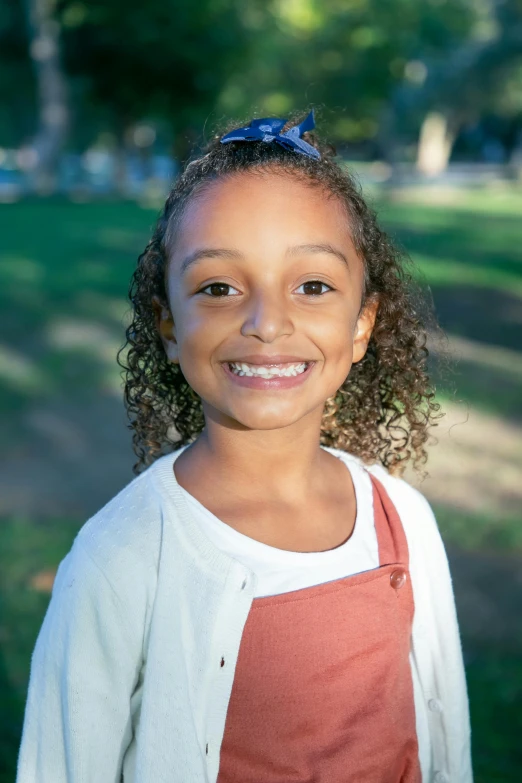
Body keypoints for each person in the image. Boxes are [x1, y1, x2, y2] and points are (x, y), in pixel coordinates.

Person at [16, 110, 472, 783]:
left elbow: (446, 740)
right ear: (169, 324)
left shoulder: (402, 520)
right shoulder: (121, 558)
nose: (266, 322)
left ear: (361, 324)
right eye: (219, 288)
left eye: (312, 286)